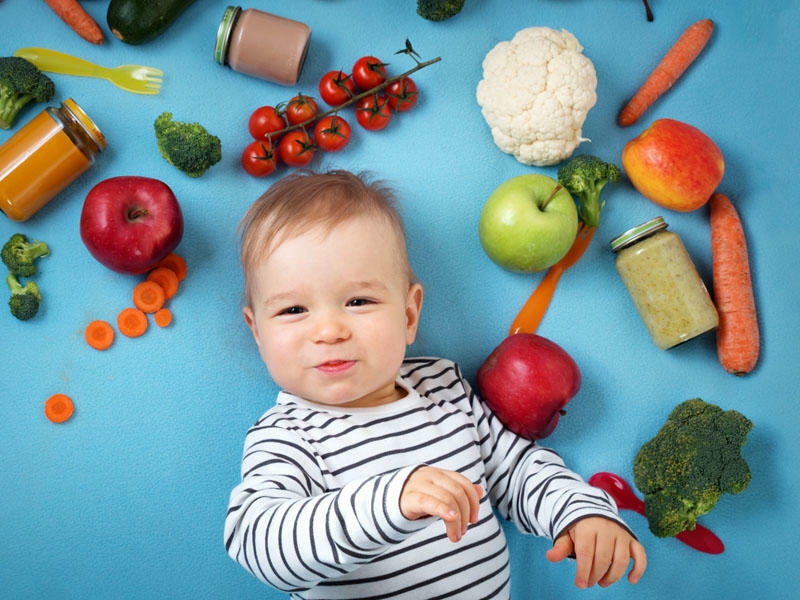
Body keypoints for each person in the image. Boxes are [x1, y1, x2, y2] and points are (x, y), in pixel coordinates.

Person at [224, 170, 646, 599]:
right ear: (258, 332)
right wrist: (388, 501)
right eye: (294, 309)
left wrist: (582, 513)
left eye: (358, 301)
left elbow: (519, 471)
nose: (329, 330)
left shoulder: (443, 389)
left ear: (408, 315)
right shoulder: (287, 434)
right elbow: (261, 543)